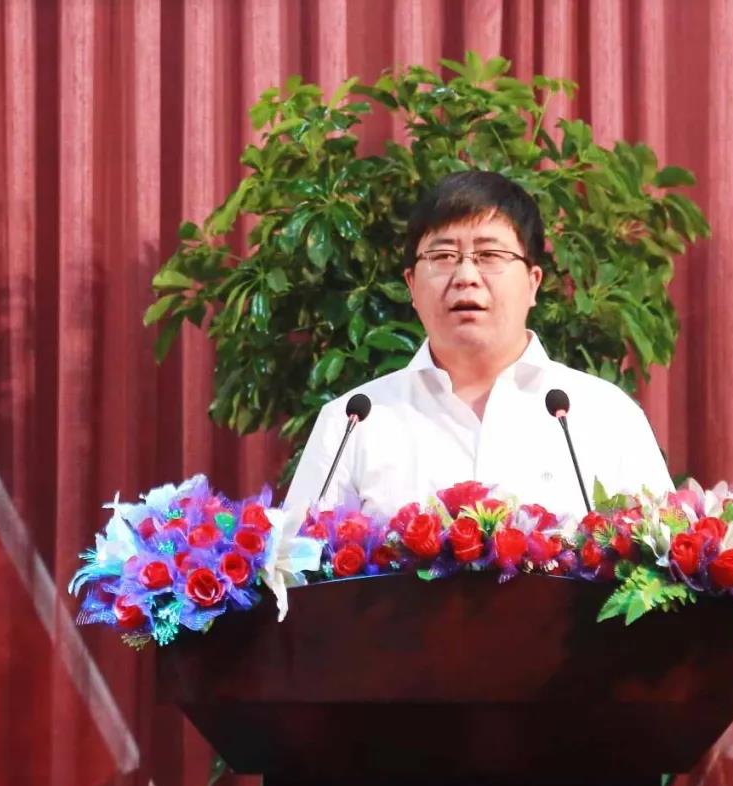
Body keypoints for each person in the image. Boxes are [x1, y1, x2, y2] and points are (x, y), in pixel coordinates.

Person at [281, 170, 672, 529]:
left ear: (533, 282)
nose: (466, 276)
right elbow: (294, 569)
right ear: (412, 285)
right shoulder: (351, 423)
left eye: (490, 256)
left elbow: (660, 566)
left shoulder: (606, 416)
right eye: (442, 257)